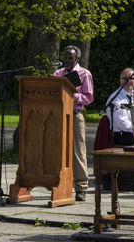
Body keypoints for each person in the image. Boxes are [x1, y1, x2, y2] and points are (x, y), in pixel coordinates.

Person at [52, 45, 93, 201]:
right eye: (66, 57)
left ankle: (81, 187)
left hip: (75, 114)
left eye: (71, 57)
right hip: (58, 114)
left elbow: (88, 98)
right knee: (58, 150)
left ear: (77, 58)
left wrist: (72, 93)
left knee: (78, 151)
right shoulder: (57, 73)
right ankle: (60, 183)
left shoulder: (84, 74)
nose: (67, 59)